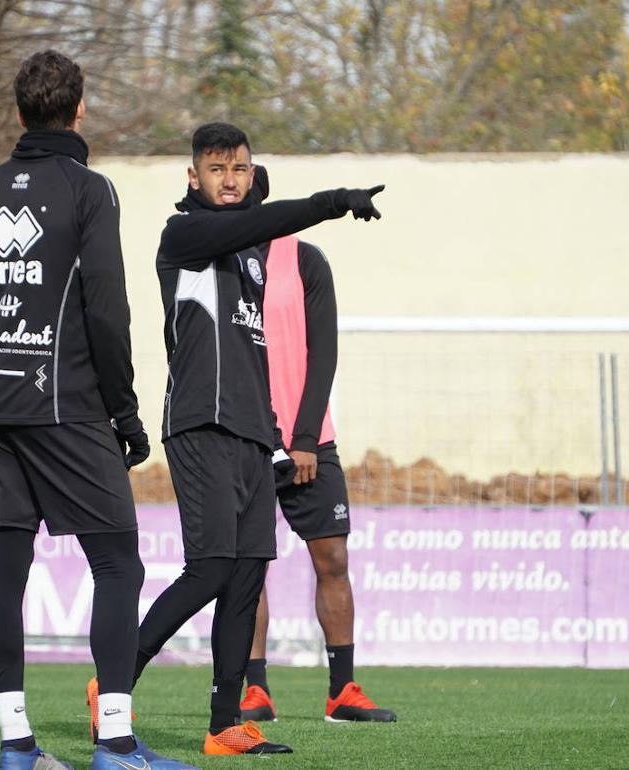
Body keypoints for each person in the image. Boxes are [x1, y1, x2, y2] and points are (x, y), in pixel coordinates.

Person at [0, 50, 194, 770]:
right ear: (80, 110)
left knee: (5, 572)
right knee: (118, 565)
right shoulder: (89, 191)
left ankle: (18, 747)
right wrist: (126, 412)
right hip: (65, 407)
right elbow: (108, 309)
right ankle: (113, 743)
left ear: (18, 113)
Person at [123, 121, 383, 756]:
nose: (229, 179)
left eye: (239, 168)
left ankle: (223, 727)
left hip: (250, 433)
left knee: (245, 577)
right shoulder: (183, 233)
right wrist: (330, 202)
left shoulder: (250, 262)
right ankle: (115, 676)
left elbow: (256, 351)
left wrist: (277, 433)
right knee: (210, 568)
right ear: (194, 177)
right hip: (199, 423)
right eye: (216, 169)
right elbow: (246, 228)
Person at [238, 173, 396, 725]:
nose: (238, 190)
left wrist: (304, 438)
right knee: (247, 568)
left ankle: (342, 690)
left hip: (309, 441)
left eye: (246, 179)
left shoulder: (304, 259)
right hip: (244, 442)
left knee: (332, 560)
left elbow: (322, 352)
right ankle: (253, 690)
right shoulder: (215, 257)